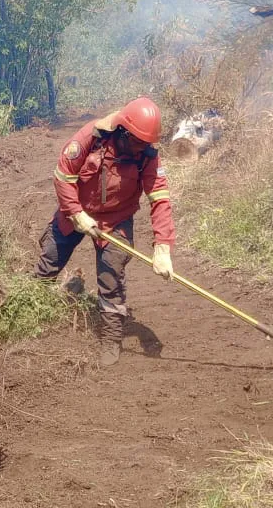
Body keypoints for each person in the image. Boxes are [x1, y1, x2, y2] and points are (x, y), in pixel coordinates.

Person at [35, 97, 175, 367]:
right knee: (49, 260)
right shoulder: (90, 138)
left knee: (111, 277)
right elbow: (63, 175)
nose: (142, 148)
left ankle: (111, 339)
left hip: (116, 219)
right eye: (138, 142)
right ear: (123, 131)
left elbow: (160, 200)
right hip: (76, 210)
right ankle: (30, 311)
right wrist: (76, 213)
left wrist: (163, 247)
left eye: (147, 143)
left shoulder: (147, 156)